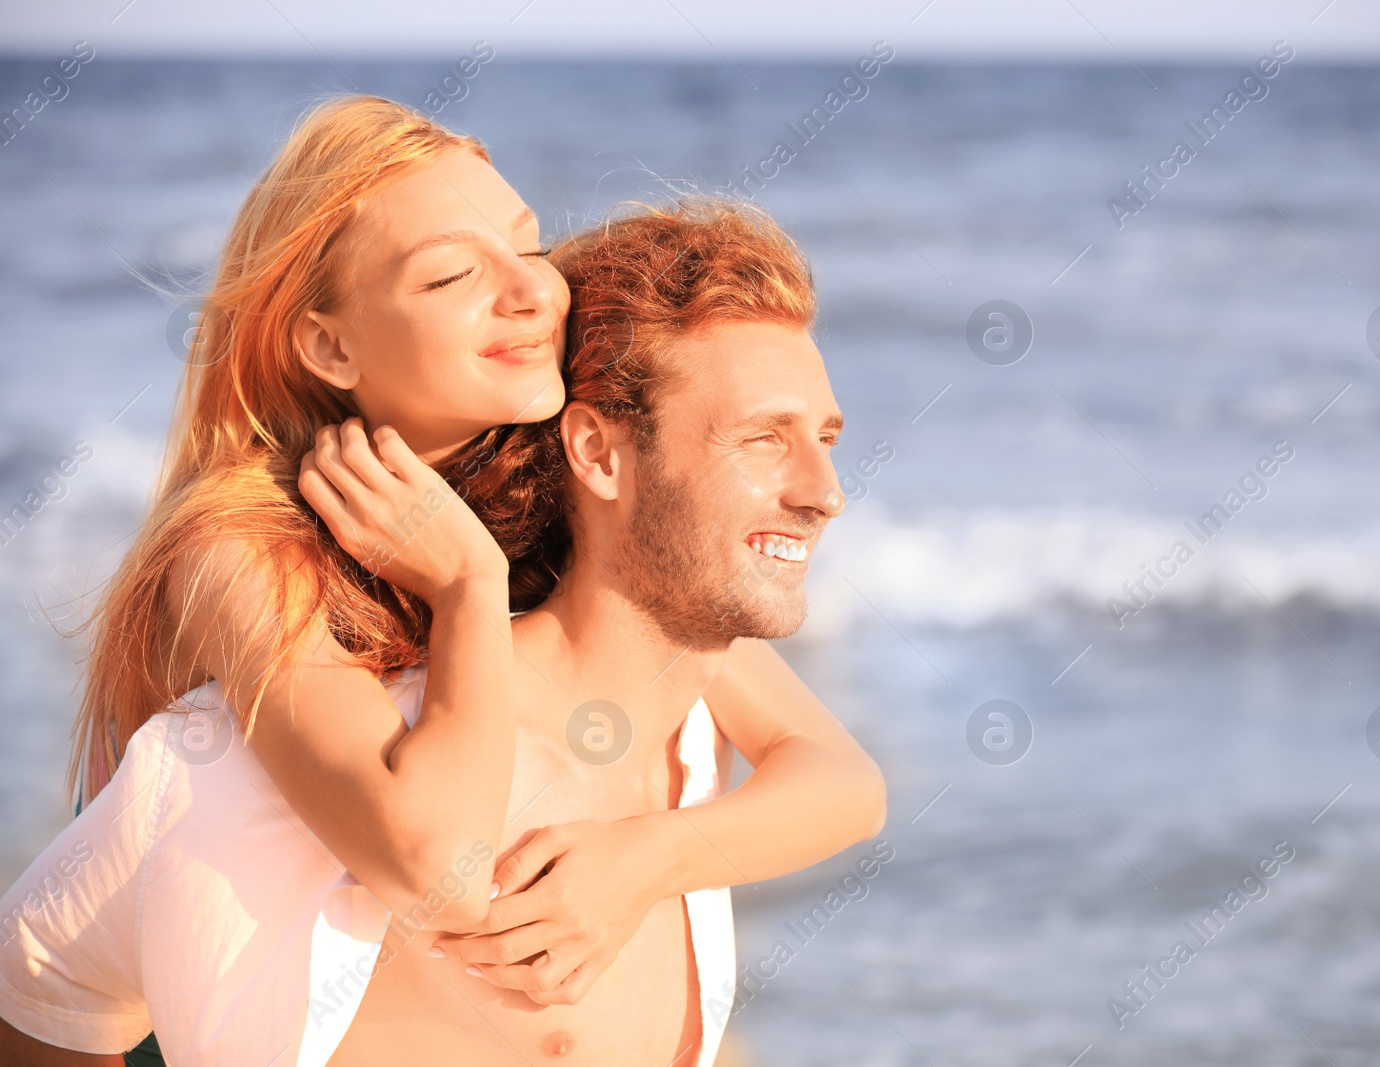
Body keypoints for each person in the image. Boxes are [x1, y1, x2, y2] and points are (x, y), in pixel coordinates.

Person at [0, 98, 883, 1066]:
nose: (531, 293)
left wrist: (640, 862)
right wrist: (464, 583)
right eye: (455, 273)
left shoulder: (543, 484)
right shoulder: (247, 545)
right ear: (331, 346)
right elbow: (435, 865)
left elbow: (838, 779)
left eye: (529, 246)